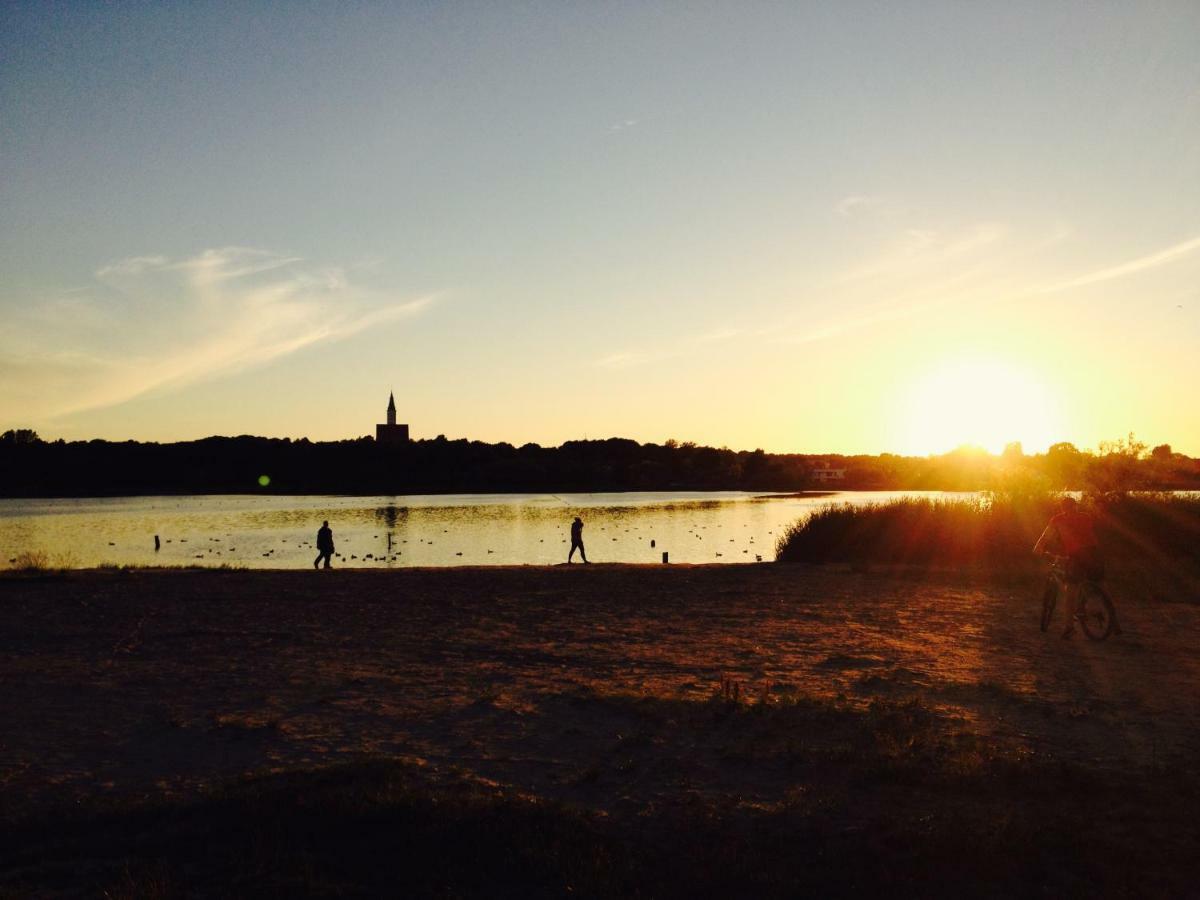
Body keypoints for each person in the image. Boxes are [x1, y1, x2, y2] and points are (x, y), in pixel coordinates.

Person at [1033, 497, 1120, 637]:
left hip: (1077, 555)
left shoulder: (1058, 519)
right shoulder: (1086, 517)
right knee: (1102, 586)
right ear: (1076, 506)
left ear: (1062, 508)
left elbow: (1046, 536)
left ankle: (1069, 628)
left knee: (1071, 589)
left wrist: (1038, 547)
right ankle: (1115, 623)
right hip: (1094, 553)